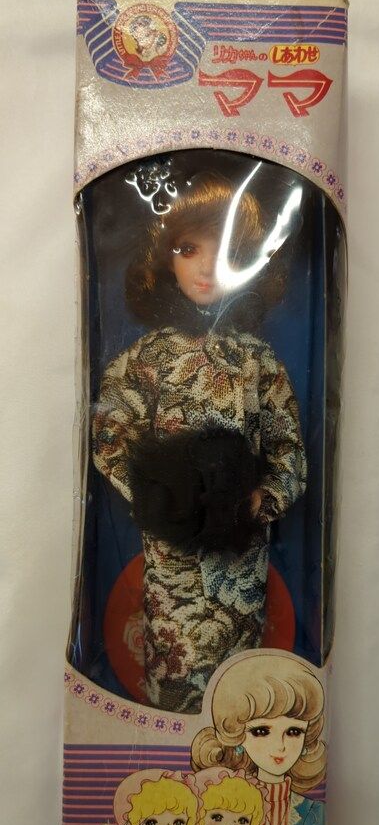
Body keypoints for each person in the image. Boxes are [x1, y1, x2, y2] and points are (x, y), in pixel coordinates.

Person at [93, 159, 306, 713]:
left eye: (227, 251)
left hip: (240, 556)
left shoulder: (258, 361)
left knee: (243, 694)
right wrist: (159, 496)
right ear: (165, 257)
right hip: (173, 561)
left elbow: (289, 454)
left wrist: (261, 501)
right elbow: (109, 436)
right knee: (173, 679)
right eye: (189, 249)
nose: (208, 268)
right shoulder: (146, 359)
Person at [191, 652, 325, 825]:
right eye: (261, 731)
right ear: (236, 735)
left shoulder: (312, 816)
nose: (280, 746)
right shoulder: (215, 805)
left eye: (294, 732)